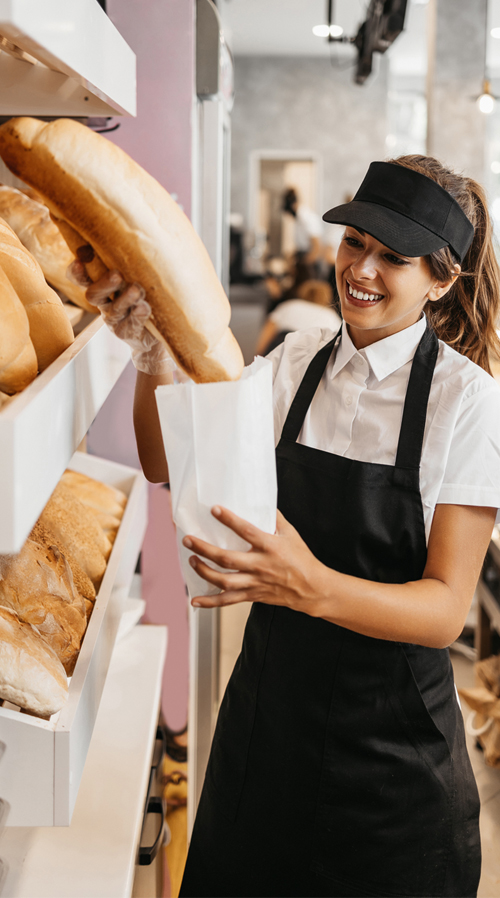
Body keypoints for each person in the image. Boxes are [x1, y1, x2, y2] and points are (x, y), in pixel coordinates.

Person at [78, 155, 500, 898]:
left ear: (441, 281)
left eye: (393, 257)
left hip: (393, 779)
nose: (361, 269)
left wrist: (310, 585)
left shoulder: (467, 403)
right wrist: (150, 351)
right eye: (354, 241)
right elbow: (161, 460)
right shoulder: (293, 364)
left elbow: (442, 612)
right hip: (265, 740)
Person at [255, 278, 341, 356]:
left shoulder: (289, 306)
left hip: (282, 348)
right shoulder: (331, 316)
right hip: (314, 353)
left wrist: (259, 357)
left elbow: (267, 334)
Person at [282, 186, 323, 271]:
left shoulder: (307, 218)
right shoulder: (298, 219)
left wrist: (302, 266)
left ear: (292, 205)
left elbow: (316, 248)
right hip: (303, 259)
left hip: (310, 265)